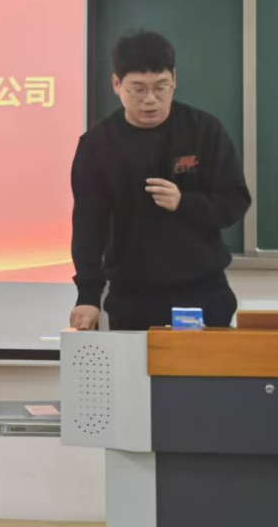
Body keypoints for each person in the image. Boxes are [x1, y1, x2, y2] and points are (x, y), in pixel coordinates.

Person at [69, 30, 251, 331]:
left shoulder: (204, 130)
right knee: (135, 363)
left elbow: (235, 201)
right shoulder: (97, 145)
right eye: (137, 89)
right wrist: (88, 296)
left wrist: (184, 202)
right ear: (117, 84)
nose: (150, 100)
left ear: (174, 80)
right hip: (132, 297)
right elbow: (88, 227)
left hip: (202, 291)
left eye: (160, 87)